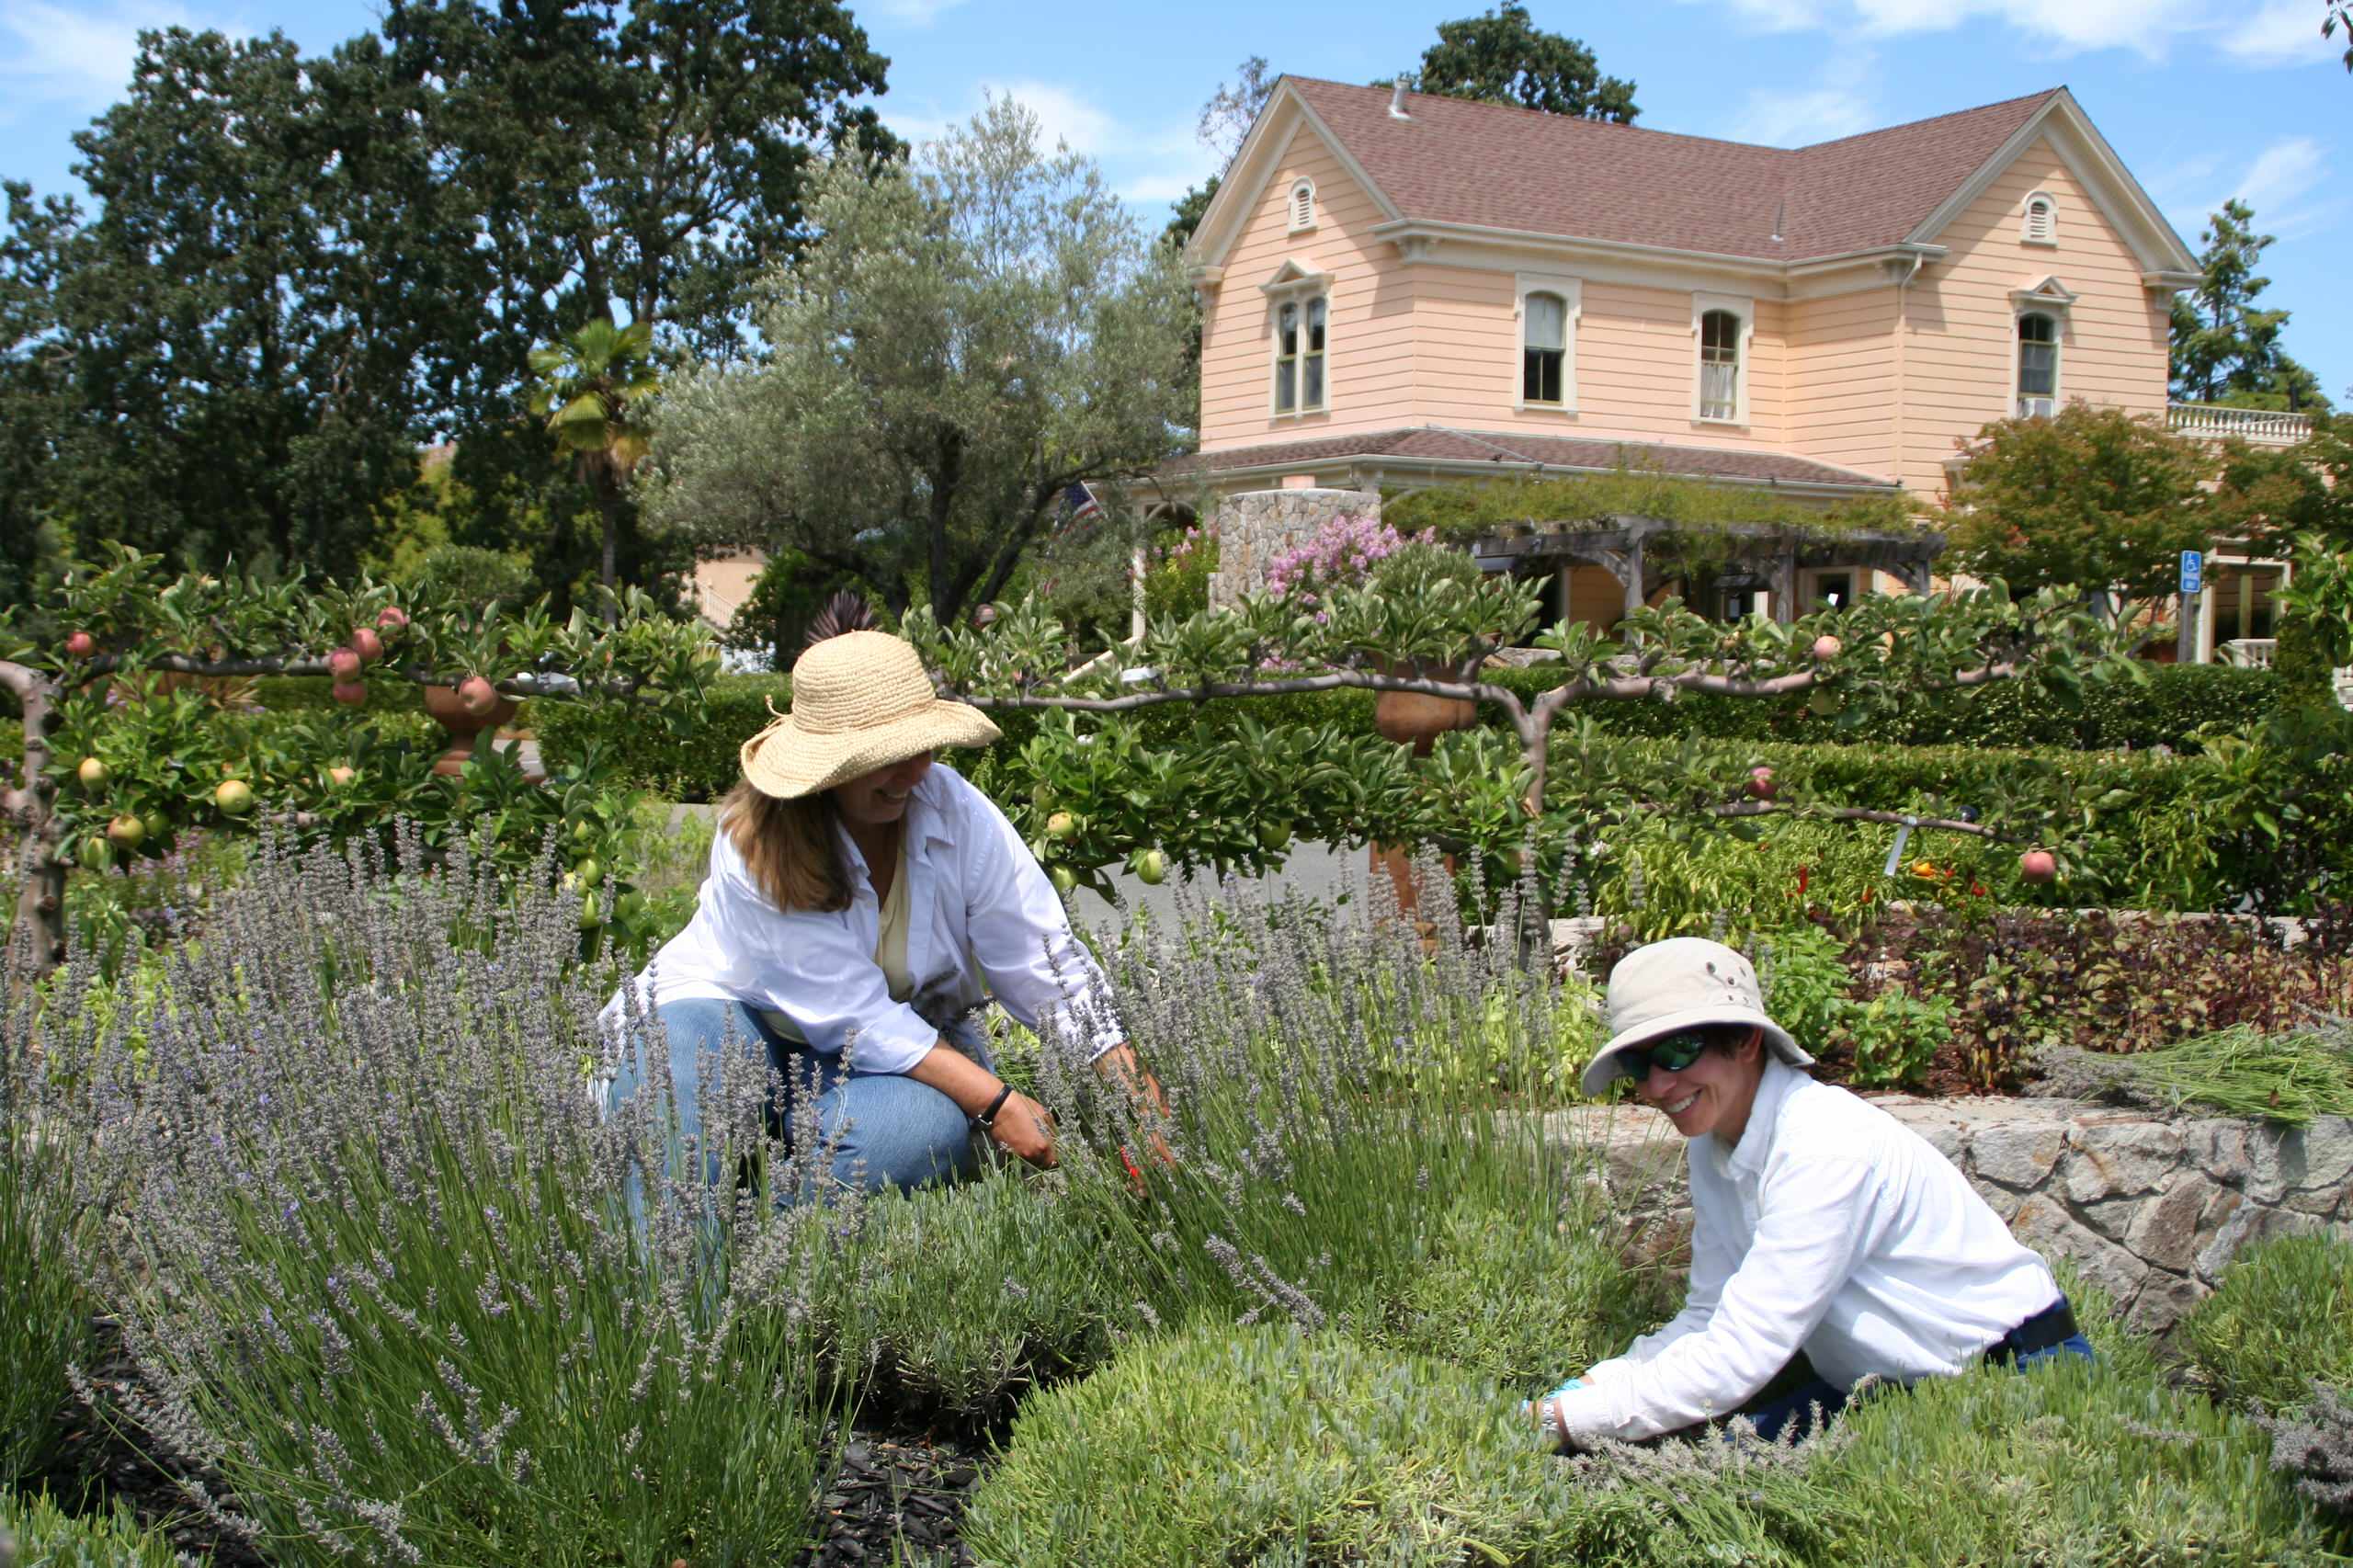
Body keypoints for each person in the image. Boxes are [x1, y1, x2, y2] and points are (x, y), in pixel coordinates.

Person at [601, 620, 1160, 1197]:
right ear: (829, 767)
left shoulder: (953, 812)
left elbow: (1041, 959)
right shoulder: (757, 844)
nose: (916, 771)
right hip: (729, 1019)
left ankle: (764, 1227)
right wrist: (998, 1102)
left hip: (849, 1063)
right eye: (887, 756)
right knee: (673, 1086)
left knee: (922, 1129)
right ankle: (676, 1262)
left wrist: (1133, 1090)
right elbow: (853, 1013)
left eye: (921, 745)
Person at [1535, 937, 2091, 1449]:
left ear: (1748, 1039)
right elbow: (1709, 1316)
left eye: (1679, 1050)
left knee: (1703, 1492)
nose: (1657, 1085)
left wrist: (1561, 1424)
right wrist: (1576, 1393)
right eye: (1636, 1063)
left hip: (2012, 1383)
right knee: (1686, 1469)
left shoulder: (1824, 1145)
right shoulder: (1715, 1143)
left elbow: (1740, 1354)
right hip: (1889, 1390)